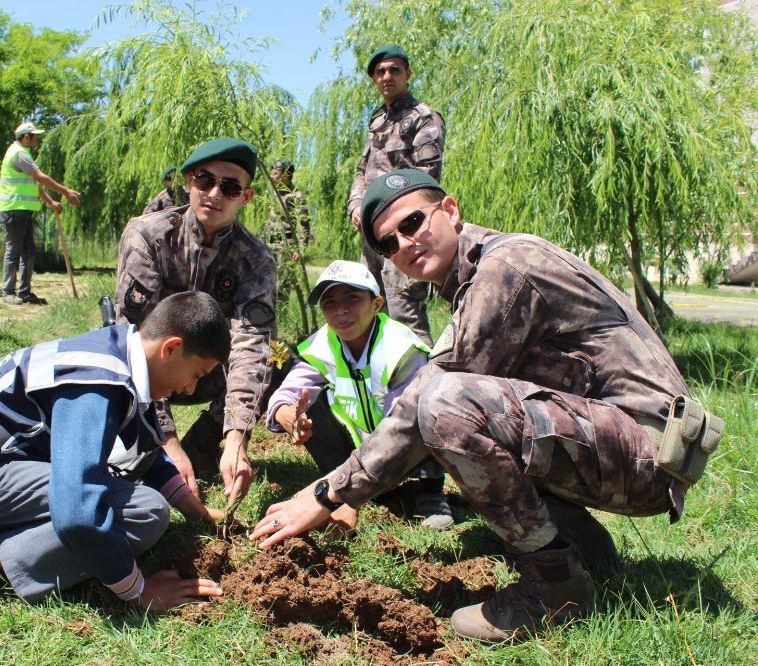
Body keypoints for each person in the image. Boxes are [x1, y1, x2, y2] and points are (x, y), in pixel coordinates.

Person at [250, 169, 722, 642]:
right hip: (632, 444)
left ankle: (553, 590)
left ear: (450, 211)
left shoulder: (505, 268)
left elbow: (424, 403)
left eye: (413, 223)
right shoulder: (474, 274)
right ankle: (582, 546)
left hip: (648, 454)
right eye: (389, 244)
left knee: (447, 404)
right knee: (478, 402)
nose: (404, 245)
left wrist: (328, 494)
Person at [0, 292, 230, 630]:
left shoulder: (118, 352)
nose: (188, 390)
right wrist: (139, 591)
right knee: (144, 512)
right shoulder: (98, 382)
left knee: (116, 496)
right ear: (171, 348)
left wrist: (193, 508)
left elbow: (142, 447)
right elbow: (77, 513)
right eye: (196, 375)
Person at [115, 137, 277, 508]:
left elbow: (252, 345)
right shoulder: (148, 236)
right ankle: (148, 447)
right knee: (119, 358)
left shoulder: (256, 259)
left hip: (206, 373)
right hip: (154, 369)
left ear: (245, 198)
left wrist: (237, 437)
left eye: (230, 187)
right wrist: (166, 440)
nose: (215, 193)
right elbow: (134, 342)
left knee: (276, 361)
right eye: (205, 181)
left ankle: (205, 445)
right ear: (190, 182)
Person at [266, 260, 453, 529]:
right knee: (310, 405)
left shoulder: (401, 349)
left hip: (407, 445)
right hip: (361, 447)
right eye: (329, 303)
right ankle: (349, 481)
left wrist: (348, 494)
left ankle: (430, 491)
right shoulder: (324, 344)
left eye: (352, 298)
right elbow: (291, 389)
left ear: (376, 304)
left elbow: (402, 428)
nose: (340, 310)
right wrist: (286, 413)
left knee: (427, 408)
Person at [348, 44, 446, 346]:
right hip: (372, 234)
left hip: (404, 234)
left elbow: (425, 178)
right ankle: (380, 385)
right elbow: (362, 170)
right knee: (370, 310)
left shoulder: (423, 118)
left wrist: (394, 218)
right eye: (380, 71)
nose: (386, 76)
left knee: (405, 314)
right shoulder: (377, 123)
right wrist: (356, 205)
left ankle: (424, 388)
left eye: (394, 70)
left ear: (407, 75)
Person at [0, 121, 81, 306]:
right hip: (14, 209)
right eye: (35, 136)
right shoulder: (19, 153)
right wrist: (66, 191)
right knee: (14, 250)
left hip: (23, 210)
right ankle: (8, 291)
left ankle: (25, 292)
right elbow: (40, 177)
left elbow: (34, 185)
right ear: (26, 137)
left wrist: (51, 201)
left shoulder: (23, 153)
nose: (38, 139)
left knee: (29, 251)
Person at [261, 159, 311, 304]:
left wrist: (299, 249)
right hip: (270, 244)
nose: (272, 176)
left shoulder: (296, 197)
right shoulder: (275, 194)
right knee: (266, 282)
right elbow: (270, 221)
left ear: (286, 175)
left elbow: (304, 225)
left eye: (276, 173)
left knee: (281, 285)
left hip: (286, 246)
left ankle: (280, 318)